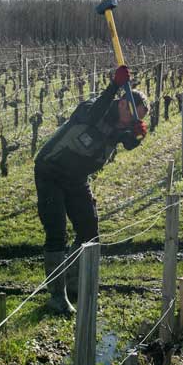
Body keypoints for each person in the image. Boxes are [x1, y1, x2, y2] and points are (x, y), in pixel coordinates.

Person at [34, 65, 149, 314]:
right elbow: (95, 118)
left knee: (89, 228)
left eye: (138, 118)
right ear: (121, 104)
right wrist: (114, 85)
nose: (133, 121)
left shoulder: (120, 126)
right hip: (50, 172)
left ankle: (75, 286)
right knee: (56, 233)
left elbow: (124, 141)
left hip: (76, 179)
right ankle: (57, 296)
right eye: (132, 115)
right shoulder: (91, 109)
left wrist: (136, 136)